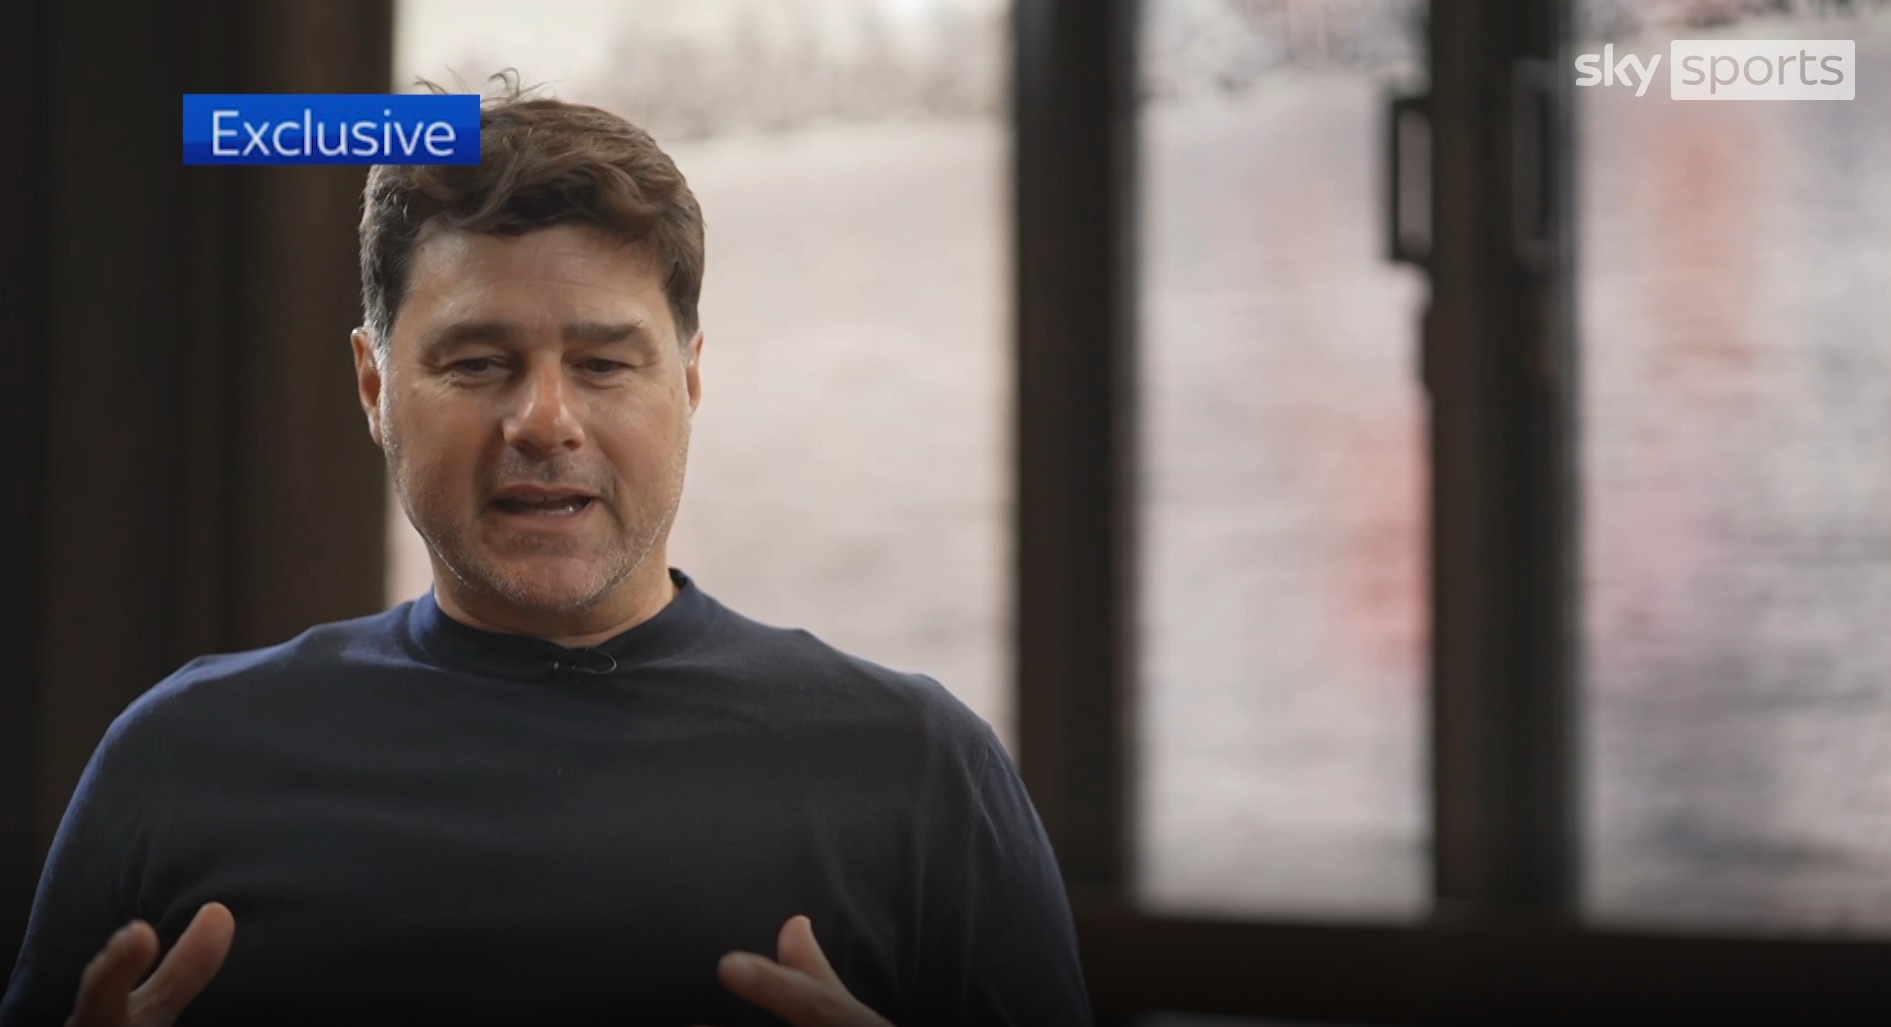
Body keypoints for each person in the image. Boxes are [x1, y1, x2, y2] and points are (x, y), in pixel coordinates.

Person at [0, 85, 1093, 1027]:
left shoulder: (918, 773)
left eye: (605, 364)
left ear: (690, 379)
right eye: (478, 362)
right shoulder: (180, 759)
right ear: (375, 386)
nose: (544, 420)